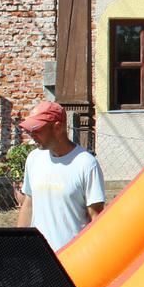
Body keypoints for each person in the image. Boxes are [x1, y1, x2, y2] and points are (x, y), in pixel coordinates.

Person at [16, 101, 105, 250]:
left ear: (57, 127)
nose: (32, 135)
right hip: (39, 256)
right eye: (30, 130)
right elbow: (28, 204)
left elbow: (96, 218)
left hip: (73, 257)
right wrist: (18, 247)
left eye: (37, 130)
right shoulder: (34, 158)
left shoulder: (86, 164)